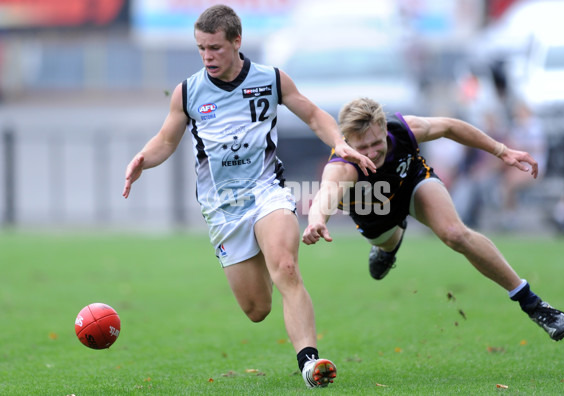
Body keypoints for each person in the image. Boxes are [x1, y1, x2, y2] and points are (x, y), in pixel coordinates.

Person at [122, 5, 375, 388]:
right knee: (257, 309)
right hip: (223, 208)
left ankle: (309, 363)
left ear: (237, 41)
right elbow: (166, 140)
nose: (207, 56)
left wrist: (340, 142)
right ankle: (263, 257)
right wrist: (143, 159)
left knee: (287, 268)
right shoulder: (188, 91)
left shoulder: (269, 79)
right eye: (201, 49)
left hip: (266, 191)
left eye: (215, 48)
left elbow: (312, 115)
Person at [302, 97, 564, 342]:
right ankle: (388, 247)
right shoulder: (342, 166)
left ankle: (534, 305)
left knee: (455, 233)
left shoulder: (404, 128)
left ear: (385, 129)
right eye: (363, 147)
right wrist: (317, 221)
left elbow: (450, 126)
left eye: (377, 143)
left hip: (413, 184)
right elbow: (326, 194)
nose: (372, 153)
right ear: (348, 142)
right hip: (375, 209)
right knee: (385, 242)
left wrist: (502, 151)